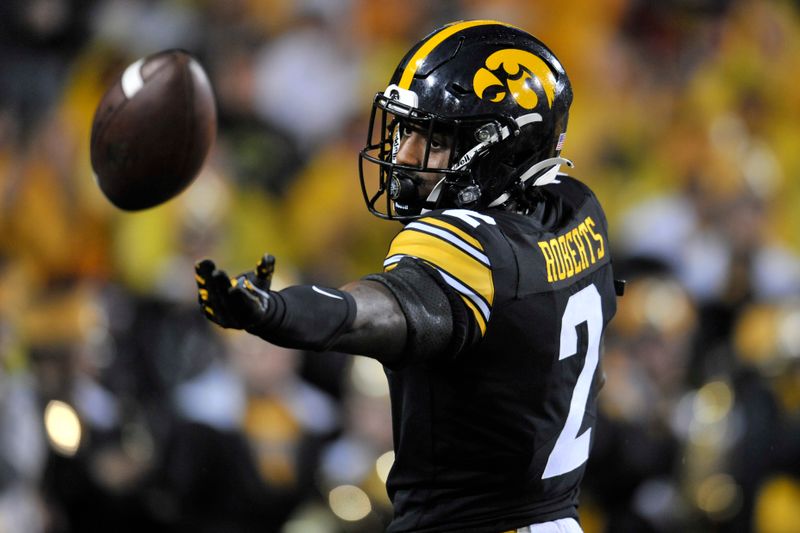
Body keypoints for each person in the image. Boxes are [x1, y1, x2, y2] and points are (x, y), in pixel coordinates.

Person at [195, 20, 621, 533]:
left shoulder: (472, 247)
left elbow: (380, 311)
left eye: (435, 139)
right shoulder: (577, 213)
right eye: (406, 130)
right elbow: (587, 375)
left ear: (502, 151)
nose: (404, 156)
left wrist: (282, 312)